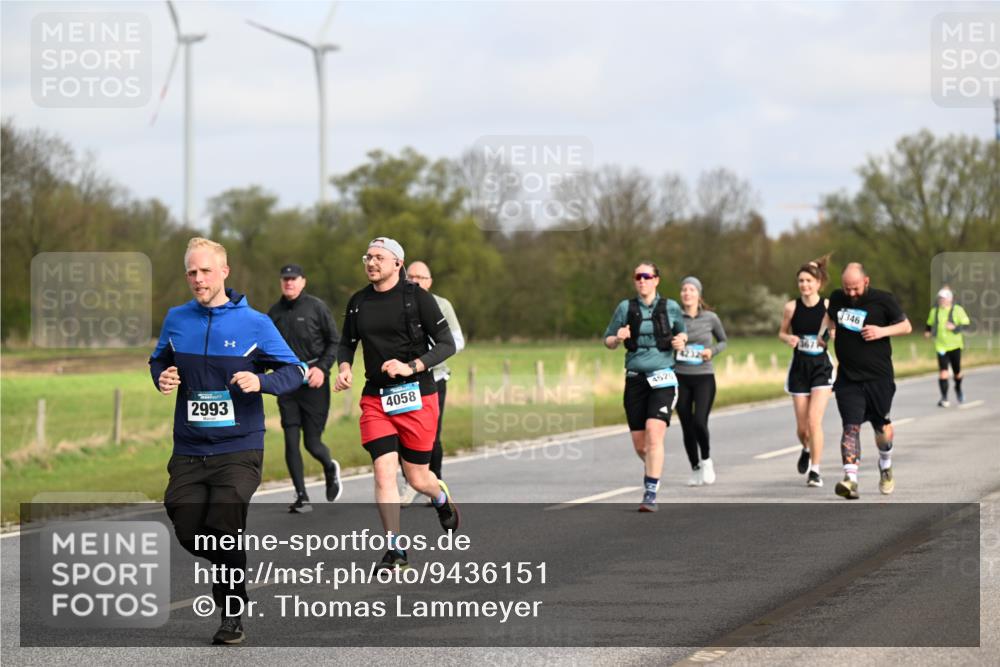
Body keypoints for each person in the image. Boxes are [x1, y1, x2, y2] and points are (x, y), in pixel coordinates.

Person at [150, 237, 308, 645]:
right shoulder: (176, 318)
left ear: (224, 272)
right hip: (188, 447)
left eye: (205, 271)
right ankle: (230, 566)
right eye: (191, 272)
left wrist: (262, 380)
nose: (198, 279)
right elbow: (159, 359)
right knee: (186, 526)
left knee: (224, 521)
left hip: (239, 447)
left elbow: (295, 370)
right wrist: (162, 376)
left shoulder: (254, 323)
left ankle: (231, 611)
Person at [334, 237, 459, 570]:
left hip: (417, 394)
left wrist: (412, 366)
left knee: (417, 478)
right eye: (368, 257)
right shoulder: (358, 301)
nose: (371, 262)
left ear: (397, 264)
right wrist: (344, 367)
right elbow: (345, 343)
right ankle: (395, 549)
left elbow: (447, 344)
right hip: (377, 398)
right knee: (383, 472)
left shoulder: (417, 298)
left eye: (379, 257)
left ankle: (440, 496)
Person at [823, 263, 912, 500]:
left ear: (866, 281)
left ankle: (885, 464)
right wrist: (828, 333)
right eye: (846, 288)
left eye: (855, 288)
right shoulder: (837, 297)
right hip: (848, 378)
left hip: (878, 378)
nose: (850, 293)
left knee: (881, 428)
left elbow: (906, 326)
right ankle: (850, 480)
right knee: (850, 427)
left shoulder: (883, 300)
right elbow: (830, 317)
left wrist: (881, 332)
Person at [603, 261, 687, 512]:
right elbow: (607, 340)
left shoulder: (670, 307)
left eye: (646, 276)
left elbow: (682, 334)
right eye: (637, 277)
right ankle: (653, 464)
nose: (642, 280)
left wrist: (681, 340)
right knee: (641, 445)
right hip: (635, 378)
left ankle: (650, 491)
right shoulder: (624, 308)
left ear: (656, 280)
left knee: (653, 433)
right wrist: (617, 338)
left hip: (663, 376)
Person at [268, 263, 343, 513]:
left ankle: (330, 467)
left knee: (312, 443)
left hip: (314, 382)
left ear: (303, 281)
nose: (289, 282)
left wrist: (322, 368)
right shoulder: (274, 313)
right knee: (290, 439)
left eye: (293, 278)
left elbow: (334, 341)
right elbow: (265, 348)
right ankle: (302, 496)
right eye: (285, 279)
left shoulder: (316, 307)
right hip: (286, 382)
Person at [398, 260, 465, 505]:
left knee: (432, 436)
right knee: (401, 434)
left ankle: (435, 482)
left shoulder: (441, 305)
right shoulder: (397, 302)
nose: (415, 281)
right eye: (411, 276)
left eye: (421, 277)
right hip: (403, 381)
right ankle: (410, 483)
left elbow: (457, 341)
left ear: (429, 282)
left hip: (434, 377)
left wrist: (425, 357)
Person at [778, 255, 835, 488]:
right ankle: (806, 448)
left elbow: (835, 331)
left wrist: (830, 335)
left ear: (818, 283)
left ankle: (815, 470)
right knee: (802, 428)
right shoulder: (791, 307)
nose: (804, 285)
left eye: (809, 281)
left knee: (814, 421)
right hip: (799, 369)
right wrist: (788, 338)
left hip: (821, 367)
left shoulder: (829, 306)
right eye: (801, 281)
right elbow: (781, 332)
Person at [673, 276, 727, 487]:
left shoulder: (711, 318)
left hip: (704, 376)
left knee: (699, 422)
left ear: (698, 294)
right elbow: (665, 342)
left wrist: (710, 351)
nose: (687, 293)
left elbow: (723, 341)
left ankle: (706, 460)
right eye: (684, 289)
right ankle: (695, 467)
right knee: (686, 425)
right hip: (680, 377)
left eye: (691, 290)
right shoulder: (674, 318)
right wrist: (673, 345)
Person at [925, 286, 971, 407]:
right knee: (943, 372)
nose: (941, 301)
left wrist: (955, 327)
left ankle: (958, 388)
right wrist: (928, 331)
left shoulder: (957, 310)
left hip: (955, 346)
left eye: (944, 299)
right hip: (941, 346)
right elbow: (929, 323)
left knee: (957, 372)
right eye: (940, 298)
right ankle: (944, 398)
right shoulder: (934, 311)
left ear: (950, 299)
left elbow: (967, 325)